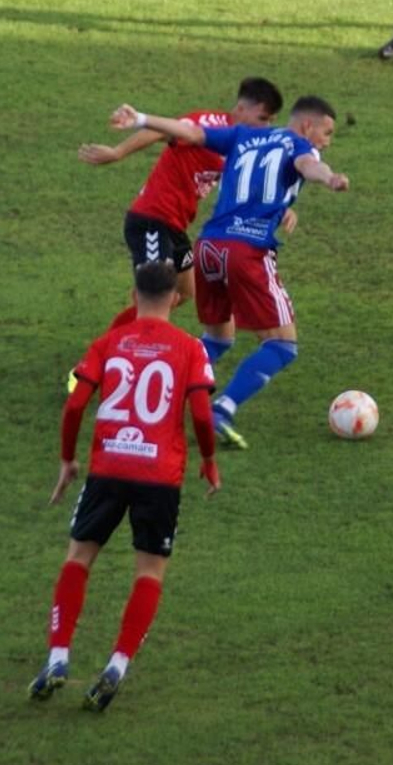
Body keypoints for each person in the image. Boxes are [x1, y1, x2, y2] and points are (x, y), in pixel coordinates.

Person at [28, 259, 220, 713]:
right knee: (149, 572)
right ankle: (117, 664)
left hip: (108, 469)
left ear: (133, 296)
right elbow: (201, 414)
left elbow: (75, 405)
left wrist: (67, 460)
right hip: (159, 477)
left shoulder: (109, 342)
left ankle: (58, 656)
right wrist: (209, 460)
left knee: (79, 558)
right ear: (175, 298)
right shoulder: (191, 348)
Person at [109, 96, 350, 449]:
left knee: (219, 337)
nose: (326, 142)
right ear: (307, 125)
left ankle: (157, 391)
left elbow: (188, 131)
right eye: (326, 133)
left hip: (208, 247)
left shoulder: (241, 135)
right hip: (246, 251)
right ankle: (223, 408)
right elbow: (306, 164)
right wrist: (329, 178)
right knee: (282, 345)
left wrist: (143, 117)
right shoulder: (301, 146)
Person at [77, 78, 285, 330]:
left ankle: (123, 334)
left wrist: (282, 208)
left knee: (185, 291)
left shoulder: (243, 143)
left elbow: (252, 182)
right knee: (156, 293)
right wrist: (117, 152)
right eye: (263, 118)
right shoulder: (207, 124)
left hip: (175, 227)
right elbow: (159, 130)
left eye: (271, 121)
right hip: (151, 219)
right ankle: (119, 348)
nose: (267, 127)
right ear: (241, 108)